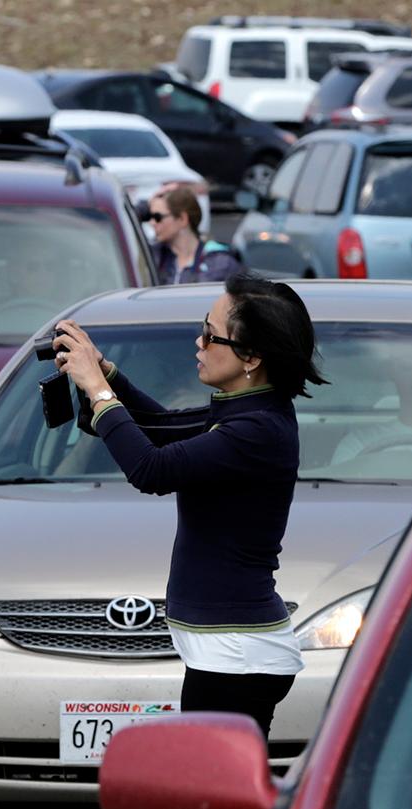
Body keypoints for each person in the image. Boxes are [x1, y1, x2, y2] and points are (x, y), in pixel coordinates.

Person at [53, 274, 326, 738]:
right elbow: (163, 426)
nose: (197, 342)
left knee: (215, 797)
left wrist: (99, 390)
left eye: (210, 334)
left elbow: (152, 469)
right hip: (228, 651)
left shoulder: (258, 430)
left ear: (252, 357)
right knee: (216, 795)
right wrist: (107, 373)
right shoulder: (247, 411)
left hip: (236, 656)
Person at [147, 185, 237, 285]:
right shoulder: (152, 257)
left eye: (157, 217)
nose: (152, 223)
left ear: (182, 219)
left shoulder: (220, 263)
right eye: (150, 217)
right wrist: (148, 203)